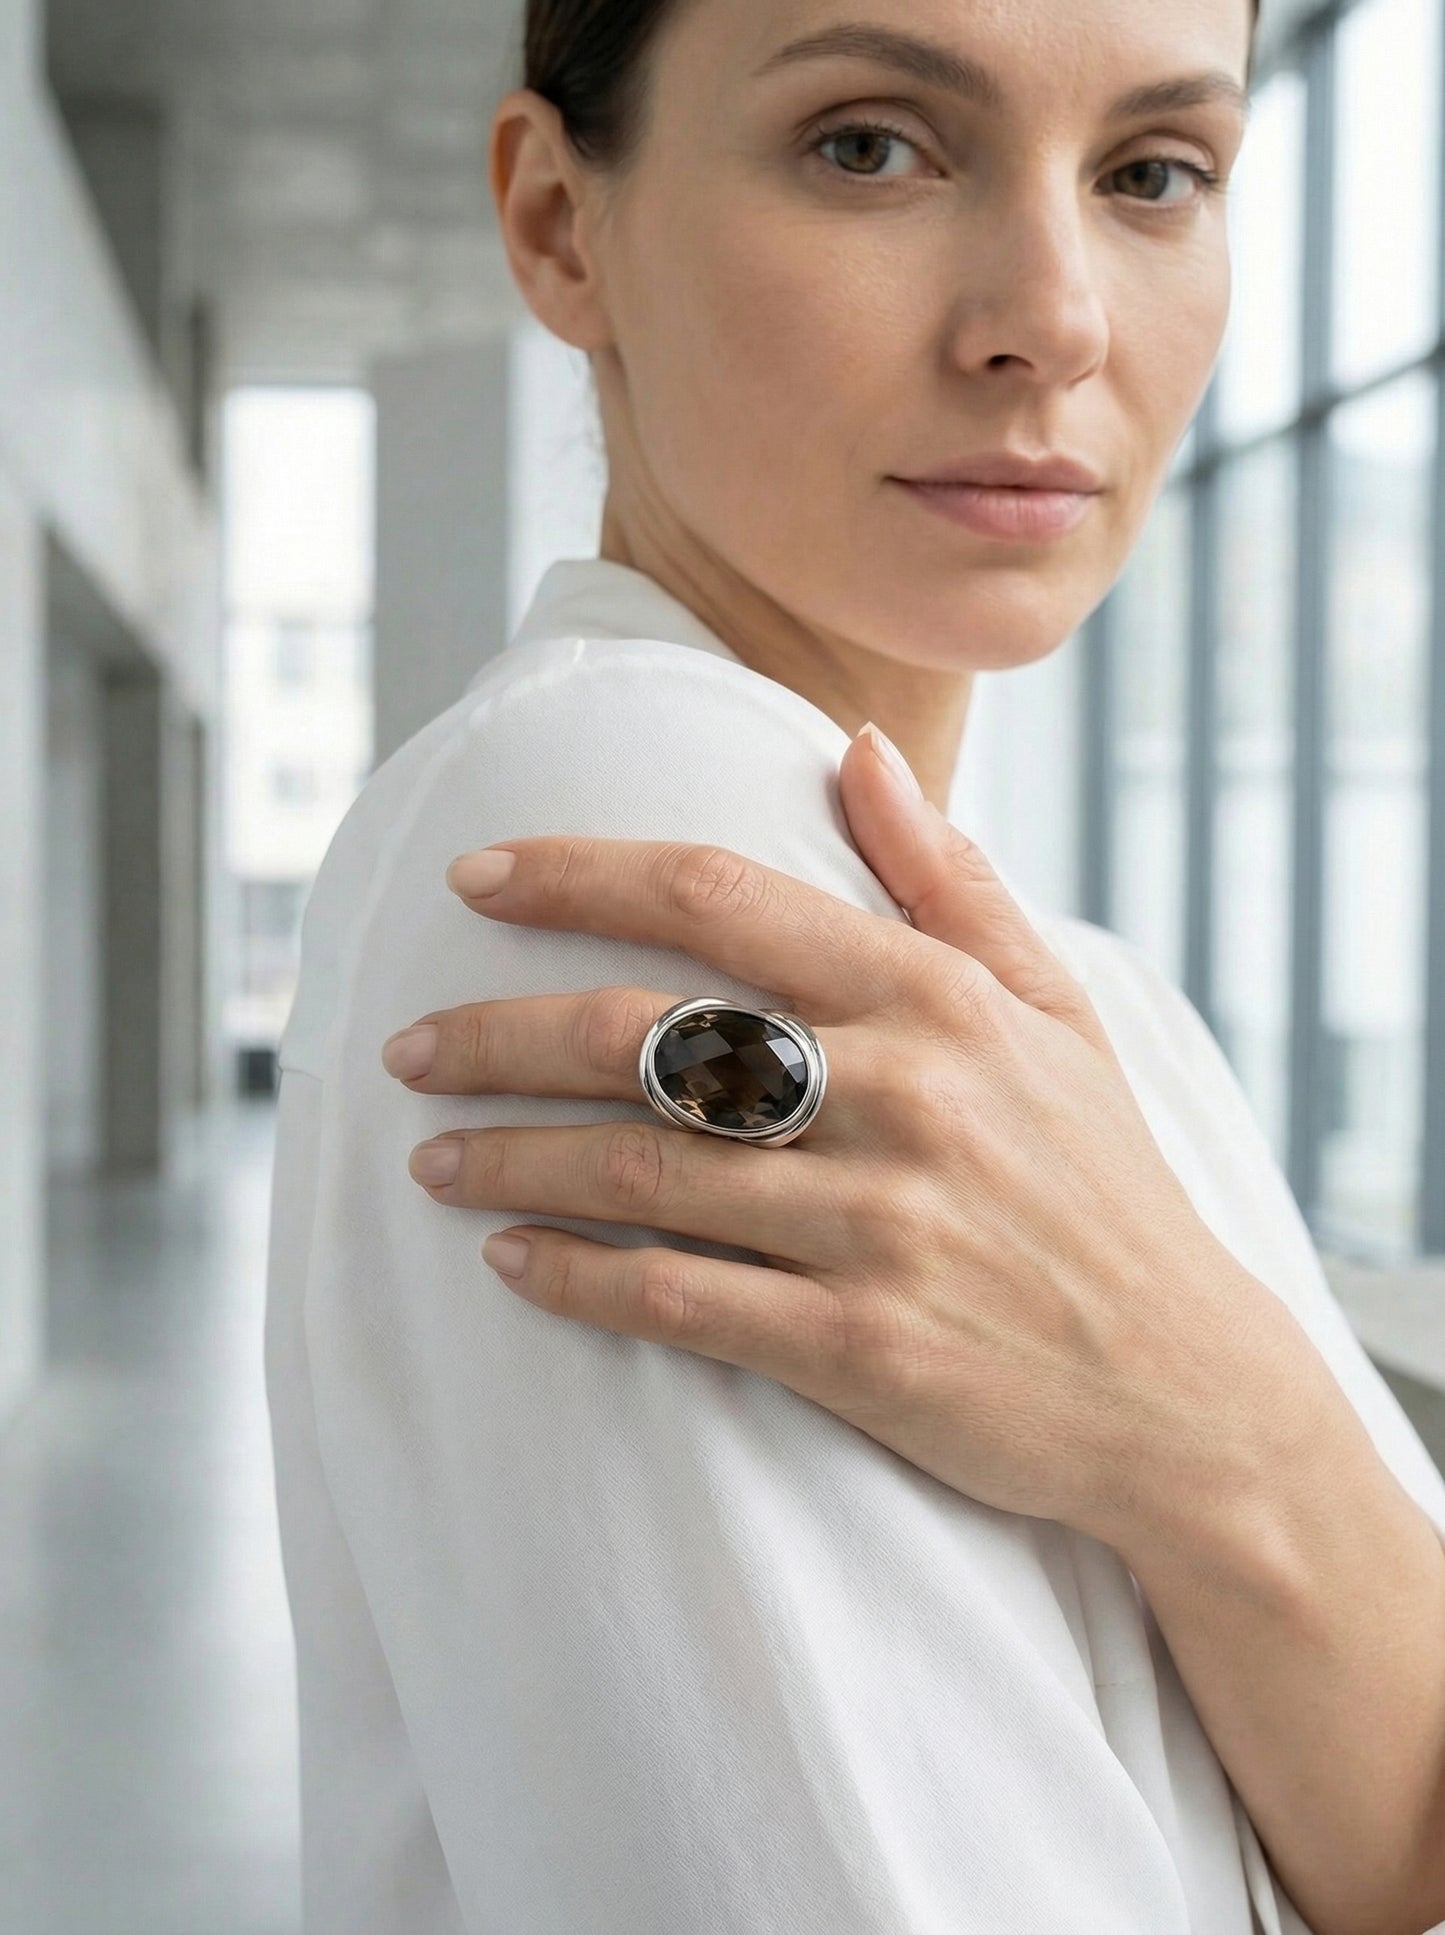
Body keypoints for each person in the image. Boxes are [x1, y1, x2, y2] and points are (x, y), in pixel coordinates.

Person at [263, 3, 1445, 1932]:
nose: (1050, 318)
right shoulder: (635, 826)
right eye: (870, 147)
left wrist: (1217, 1424)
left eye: (1154, 173)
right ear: (564, 225)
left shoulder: (1090, 1008)